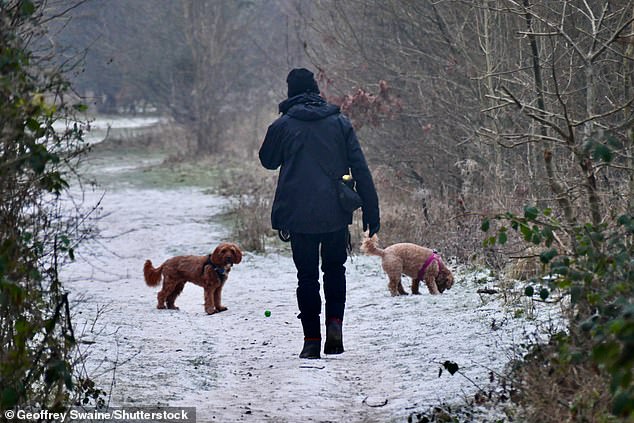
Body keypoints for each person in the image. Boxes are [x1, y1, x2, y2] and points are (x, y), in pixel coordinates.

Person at [259, 68, 380, 359]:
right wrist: (371, 212)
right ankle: (335, 327)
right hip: (335, 212)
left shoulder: (283, 125)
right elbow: (360, 169)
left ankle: (311, 340)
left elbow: (267, 161)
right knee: (335, 270)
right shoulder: (339, 122)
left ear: (291, 92)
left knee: (307, 277)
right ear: (315, 89)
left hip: (298, 214)